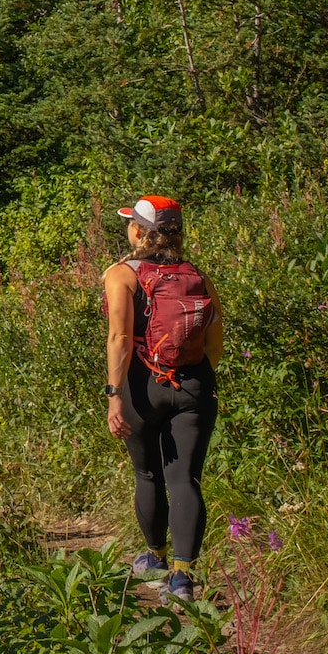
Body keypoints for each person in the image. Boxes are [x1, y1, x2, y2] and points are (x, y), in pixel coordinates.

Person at [102, 195, 223, 602]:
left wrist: (114, 395)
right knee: (184, 478)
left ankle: (154, 556)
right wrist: (192, 380)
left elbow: (119, 337)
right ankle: (183, 577)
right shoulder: (198, 277)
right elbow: (214, 342)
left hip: (142, 385)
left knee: (148, 473)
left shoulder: (122, 275)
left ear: (138, 231)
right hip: (193, 385)